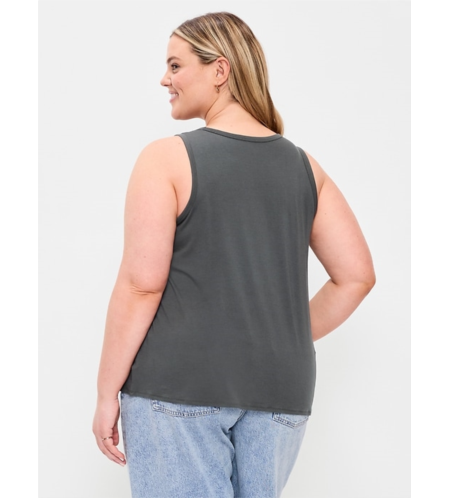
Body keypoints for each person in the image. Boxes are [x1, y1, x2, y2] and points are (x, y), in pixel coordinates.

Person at [92, 11, 376, 498]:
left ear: (220, 70)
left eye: (176, 65)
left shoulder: (166, 159)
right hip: (281, 391)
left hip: (178, 386)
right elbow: (357, 277)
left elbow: (142, 284)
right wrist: (278, 331)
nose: (165, 79)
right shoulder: (305, 168)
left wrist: (104, 393)